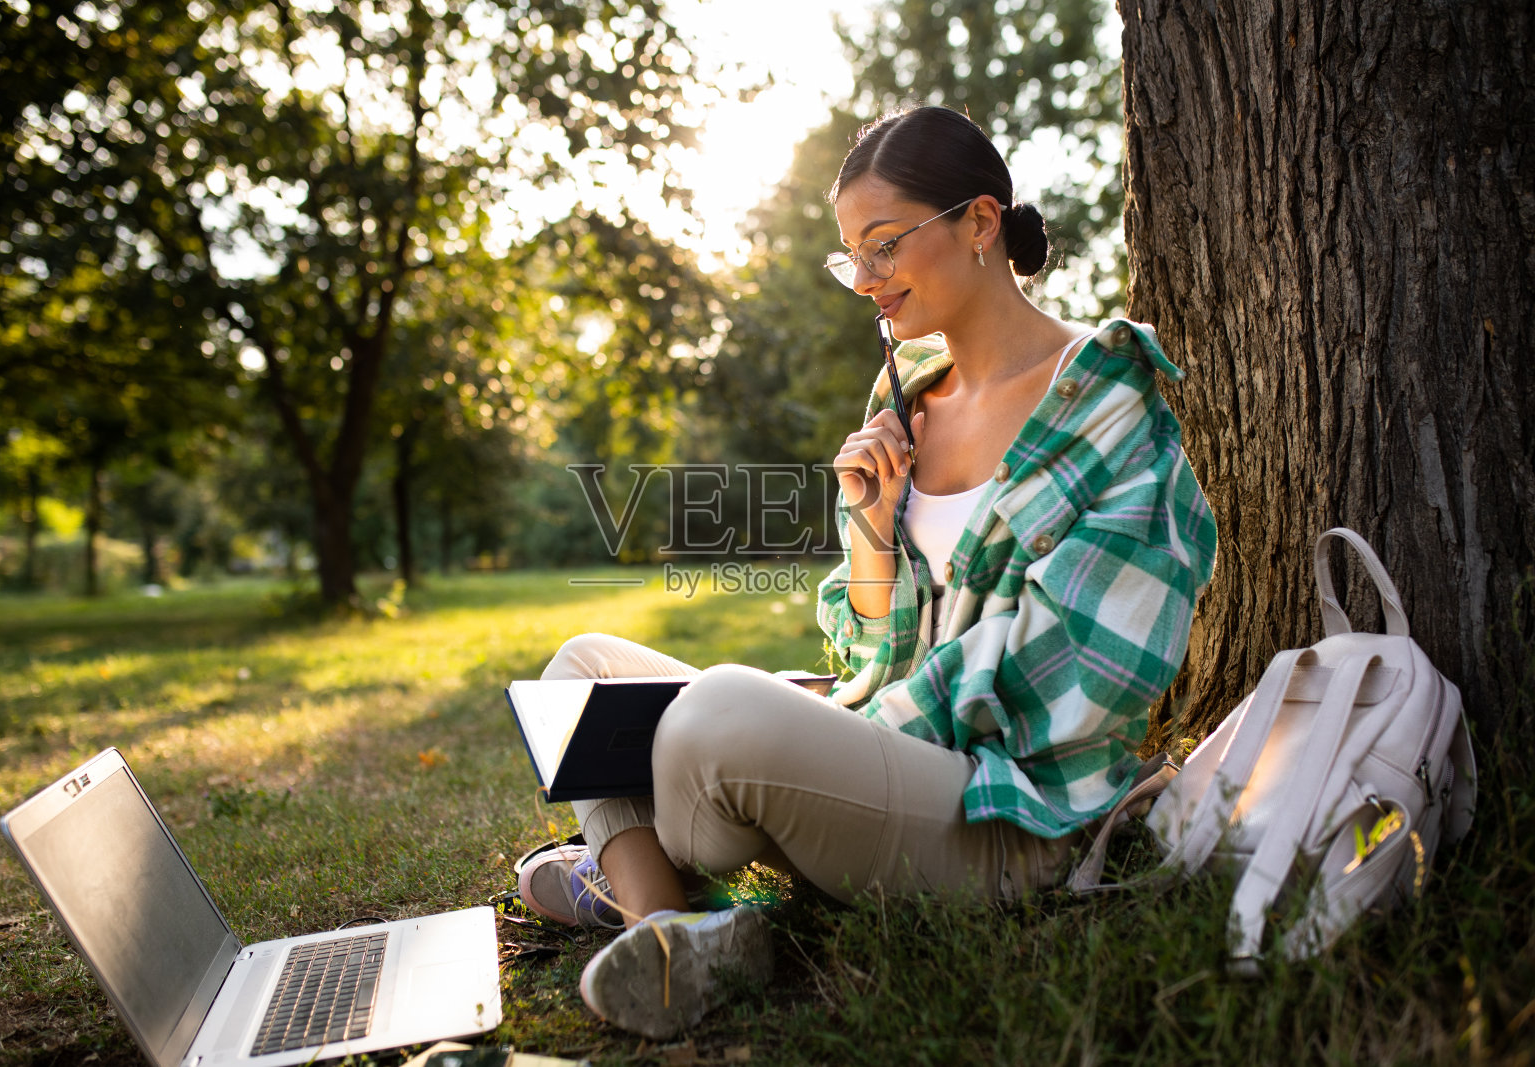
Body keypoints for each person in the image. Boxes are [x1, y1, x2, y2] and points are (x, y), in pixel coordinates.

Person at [516, 104, 1217, 1039]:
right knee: (581, 671)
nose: (865, 280)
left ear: (979, 222)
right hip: (881, 754)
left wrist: (844, 719)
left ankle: (633, 870)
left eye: (883, 246)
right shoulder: (905, 395)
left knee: (717, 714)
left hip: (1002, 812)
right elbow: (864, 645)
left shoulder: (1107, 407)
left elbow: (1087, 678)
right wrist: (871, 534)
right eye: (851, 256)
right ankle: (672, 932)